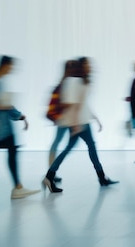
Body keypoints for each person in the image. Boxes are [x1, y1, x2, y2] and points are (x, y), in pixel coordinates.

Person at [42, 57, 118, 193]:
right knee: (87, 147)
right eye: (88, 64)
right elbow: (74, 105)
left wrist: (95, 118)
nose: (90, 66)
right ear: (82, 67)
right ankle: (101, 177)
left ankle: (50, 176)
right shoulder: (76, 82)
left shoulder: (82, 81)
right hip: (79, 122)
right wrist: (76, 125)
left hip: (81, 121)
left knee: (76, 148)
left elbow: (83, 104)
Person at [0, 56, 40, 199]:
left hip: (1, 128)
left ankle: (18, 187)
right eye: (10, 67)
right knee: (11, 152)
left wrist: (21, 116)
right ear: (3, 66)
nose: (11, 69)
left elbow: (6, 104)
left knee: (12, 151)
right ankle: (17, 188)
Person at [47, 60, 77, 182]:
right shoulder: (66, 84)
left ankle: (51, 171)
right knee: (61, 143)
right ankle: (51, 171)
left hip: (65, 118)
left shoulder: (64, 83)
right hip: (65, 118)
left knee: (59, 143)